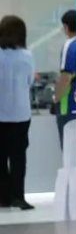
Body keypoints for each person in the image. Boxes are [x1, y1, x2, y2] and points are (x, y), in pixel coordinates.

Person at [0, 15, 35, 210]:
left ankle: (3, 197)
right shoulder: (27, 56)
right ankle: (18, 196)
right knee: (18, 157)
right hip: (20, 114)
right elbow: (30, 82)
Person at [55, 9, 76, 145]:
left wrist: (55, 98)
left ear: (66, 27)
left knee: (69, 148)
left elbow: (65, 77)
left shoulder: (70, 45)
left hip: (68, 105)